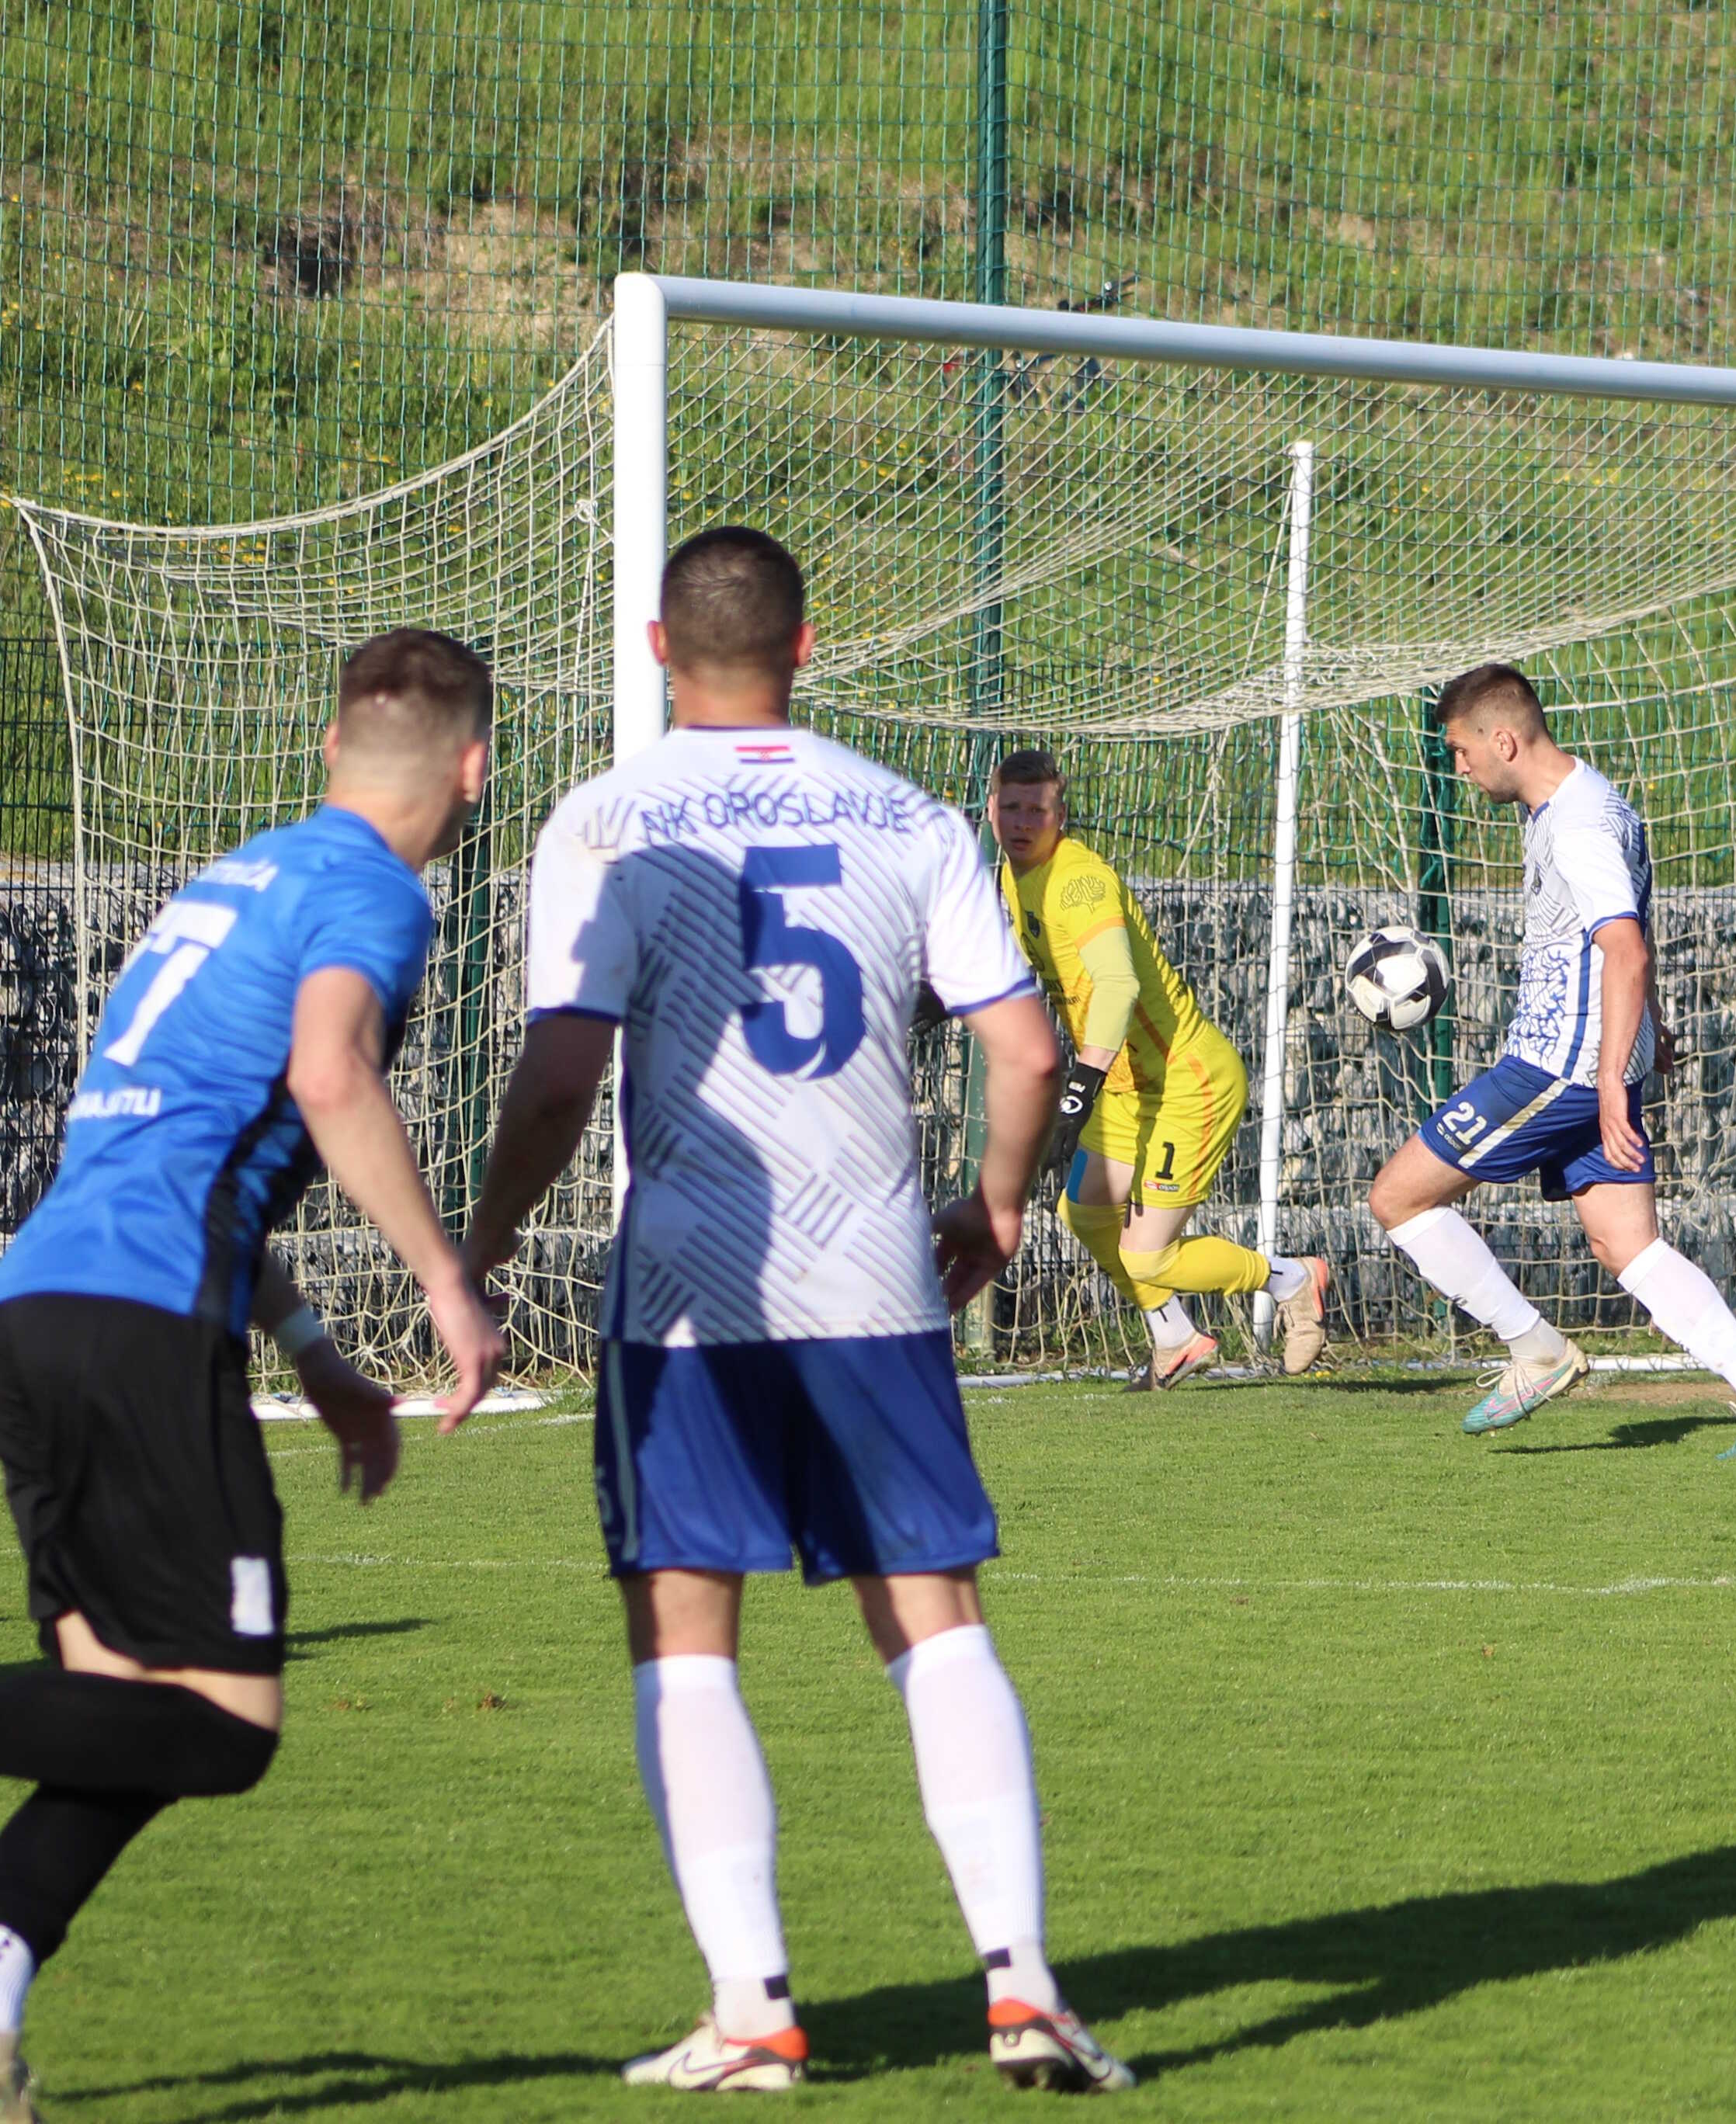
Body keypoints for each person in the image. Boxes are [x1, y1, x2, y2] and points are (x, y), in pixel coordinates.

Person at [459, 527, 1130, 2095]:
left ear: (655, 648)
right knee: (932, 1615)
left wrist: (480, 1242)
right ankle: (1023, 1986)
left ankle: (753, 2013)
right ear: (808, 647)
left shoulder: (608, 818)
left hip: (690, 1283)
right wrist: (1000, 1203)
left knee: (686, 1628)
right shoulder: (911, 816)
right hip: (874, 1272)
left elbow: (560, 1077)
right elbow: (1027, 1052)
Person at [0, 630, 507, 2123]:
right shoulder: (374, 892)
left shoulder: (232, 881)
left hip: (46, 1306)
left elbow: (176, 1146)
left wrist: (314, 1351)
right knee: (222, 1725)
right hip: (142, 1328)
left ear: (332, 748)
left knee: (119, 1714)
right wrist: (444, 1281)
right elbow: (329, 1075)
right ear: (474, 769)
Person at [1364, 662, 1736, 1458]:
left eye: (1463, 750)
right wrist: (1650, 1025)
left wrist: (1609, 1080)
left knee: (1398, 1198)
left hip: (1562, 1067)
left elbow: (1625, 947)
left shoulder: (1575, 825)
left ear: (1504, 741)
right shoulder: (1591, 801)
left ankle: (1536, 1350)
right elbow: (1625, 933)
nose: (1459, 767)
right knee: (1627, 1245)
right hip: (1596, 1059)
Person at [988, 750, 1330, 1388]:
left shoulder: (1080, 883)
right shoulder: (1014, 875)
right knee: (1084, 1212)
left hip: (1185, 1081)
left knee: (1147, 1257)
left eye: (1038, 810)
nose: (1024, 822)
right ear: (991, 810)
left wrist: (1077, 1091)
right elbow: (1025, 957)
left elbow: (1117, 986)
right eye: (1012, 807)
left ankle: (1292, 1279)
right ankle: (1175, 1337)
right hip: (1126, 1085)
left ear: (1062, 815)